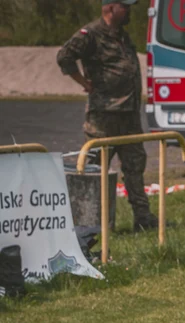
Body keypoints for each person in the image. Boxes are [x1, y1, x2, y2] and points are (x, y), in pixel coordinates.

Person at [57, 0, 156, 231]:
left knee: (135, 167)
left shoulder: (122, 35)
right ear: (110, 8)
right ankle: (87, 224)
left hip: (129, 115)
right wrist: (84, 82)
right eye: (126, 6)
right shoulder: (91, 34)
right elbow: (64, 56)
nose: (130, 10)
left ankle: (143, 219)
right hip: (104, 117)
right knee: (93, 170)